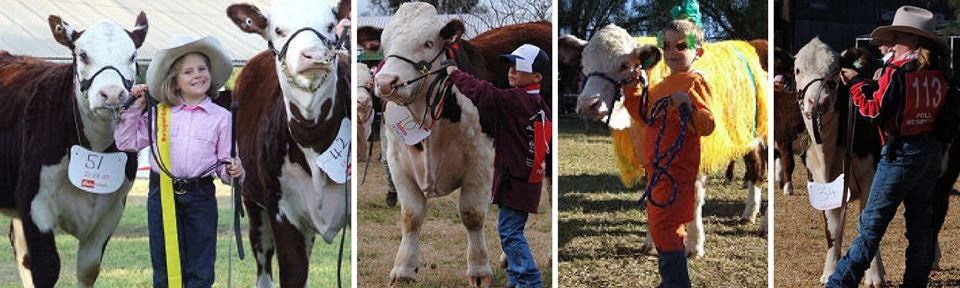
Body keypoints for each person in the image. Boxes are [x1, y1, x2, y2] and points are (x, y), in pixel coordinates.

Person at [830, 5, 949, 287]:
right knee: (920, 228)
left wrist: (857, 83)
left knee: (870, 228)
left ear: (915, 41)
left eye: (898, 37)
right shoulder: (941, 75)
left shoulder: (895, 73)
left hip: (900, 154)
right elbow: (949, 119)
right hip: (929, 152)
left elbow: (873, 111)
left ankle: (839, 284)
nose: (890, 43)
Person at [115, 35, 243, 287]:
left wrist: (233, 170)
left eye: (202, 69)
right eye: (188, 71)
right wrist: (136, 106)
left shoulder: (221, 117)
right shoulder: (159, 113)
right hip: (161, 194)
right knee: (164, 264)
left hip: (201, 196)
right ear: (175, 81)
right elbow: (126, 141)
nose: (197, 75)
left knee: (201, 267)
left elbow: (225, 163)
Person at [620, 14, 716, 287]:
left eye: (681, 46)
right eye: (667, 46)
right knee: (661, 223)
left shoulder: (696, 82)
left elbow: (707, 124)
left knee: (664, 226)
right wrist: (632, 89)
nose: (672, 52)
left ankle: (676, 282)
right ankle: (671, 280)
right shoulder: (660, 86)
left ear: (697, 51)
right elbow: (643, 114)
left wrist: (689, 106)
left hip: (676, 171)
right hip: (656, 170)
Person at [444, 44, 551, 288]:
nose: (512, 71)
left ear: (537, 77)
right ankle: (516, 280)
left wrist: (455, 74)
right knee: (510, 231)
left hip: (516, 181)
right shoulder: (538, 105)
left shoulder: (518, 101)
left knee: (511, 234)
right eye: (511, 66)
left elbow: (484, 92)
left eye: (520, 67)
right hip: (526, 179)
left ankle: (530, 282)